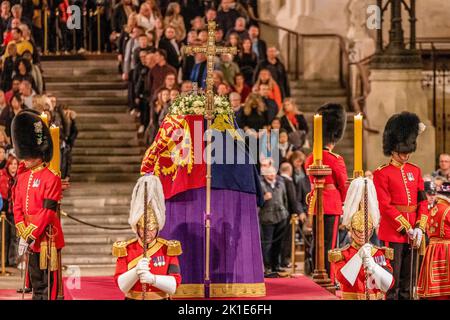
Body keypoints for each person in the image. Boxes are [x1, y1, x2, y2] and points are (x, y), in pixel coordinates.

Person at [373, 111, 428, 300]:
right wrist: (406, 227)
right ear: (393, 149)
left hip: (414, 231)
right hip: (393, 232)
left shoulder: (416, 171)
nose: (405, 156)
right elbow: (385, 206)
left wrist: (420, 227)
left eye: (408, 152)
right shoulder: (382, 173)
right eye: (402, 152)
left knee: (408, 279)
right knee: (392, 280)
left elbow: (422, 201)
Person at [11, 110, 64, 300]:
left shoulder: (52, 178)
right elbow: (17, 204)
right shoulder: (23, 176)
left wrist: (31, 232)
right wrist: (22, 229)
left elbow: (48, 211)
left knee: (48, 285)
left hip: (46, 238)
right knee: (35, 283)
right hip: (30, 238)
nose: (23, 159)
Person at [113, 175, 182, 300]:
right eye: (143, 229)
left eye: (151, 229)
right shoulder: (126, 249)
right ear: (137, 228)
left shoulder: (168, 249)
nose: (147, 233)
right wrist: (136, 271)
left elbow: (174, 284)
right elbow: (121, 286)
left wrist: (153, 279)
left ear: (157, 228)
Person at [329, 177, 394, 300]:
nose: (362, 234)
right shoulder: (342, 254)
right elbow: (343, 279)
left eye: (366, 231)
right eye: (358, 231)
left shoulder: (379, 253)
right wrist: (358, 257)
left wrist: (374, 267)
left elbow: (388, 285)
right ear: (351, 230)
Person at [304, 103, 348, 282]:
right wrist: (344, 202)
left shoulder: (310, 158)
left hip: (316, 202)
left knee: (317, 241)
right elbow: (343, 185)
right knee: (330, 243)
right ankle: (328, 277)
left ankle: (317, 272)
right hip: (331, 203)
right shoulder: (335, 159)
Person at [417, 182, 450, 300]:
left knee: (436, 290)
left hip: (432, 250)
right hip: (446, 250)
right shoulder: (448, 210)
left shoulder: (432, 210)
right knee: (445, 291)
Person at [259, 165, 289, 275]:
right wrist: (264, 198)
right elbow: (257, 202)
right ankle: (267, 266)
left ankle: (276, 265)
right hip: (267, 218)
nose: (271, 174)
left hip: (281, 216)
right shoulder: (261, 184)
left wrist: (286, 212)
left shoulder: (281, 183)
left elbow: (285, 199)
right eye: (269, 172)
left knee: (278, 243)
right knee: (268, 244)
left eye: (273, 172)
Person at [0, 155, 19, 266]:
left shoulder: (20, 178)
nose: (13, 166)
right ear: (8, 166)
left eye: (15, 164)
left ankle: (12, 261)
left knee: (14, 237)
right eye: (11, 164)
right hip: (4, 212)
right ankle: (3, 261)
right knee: (3, 237)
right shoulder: (2, 177)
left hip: (15, 212)